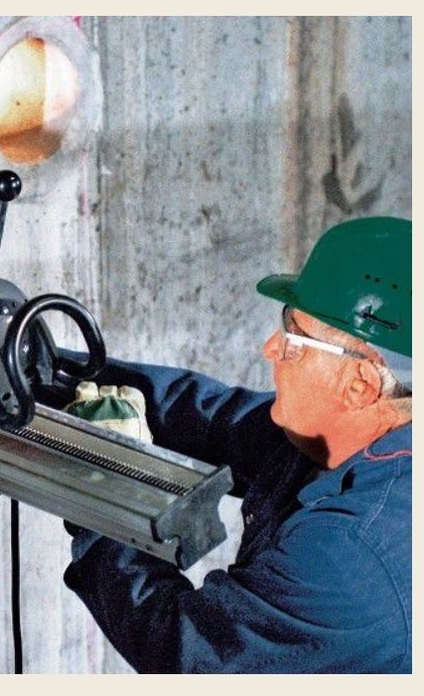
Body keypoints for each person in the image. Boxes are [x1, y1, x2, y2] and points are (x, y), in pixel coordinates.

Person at [63, 216, 412, 673]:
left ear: (359, 385)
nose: (271, 349)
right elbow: (207, 417)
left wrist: (106, 489)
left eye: (293, 340)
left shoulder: (352, 554)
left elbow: (182, 650)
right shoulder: (349, 439)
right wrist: (42, 365)